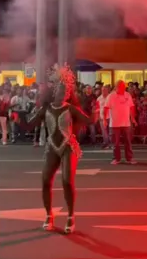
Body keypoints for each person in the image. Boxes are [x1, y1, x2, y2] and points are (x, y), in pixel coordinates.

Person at [24, 65, 92, 233]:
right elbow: (29, 125)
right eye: (61, 90)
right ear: (54, 91)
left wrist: (95, 114)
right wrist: (19, 118)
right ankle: (49, 215)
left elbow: (88, 121)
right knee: (46, 181)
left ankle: (70, 216)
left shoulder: (71, 109)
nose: (64, 93)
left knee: (67, 181)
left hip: (68, 146)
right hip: (52, 147)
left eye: (67, 91)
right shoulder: (45, 109)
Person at [105, 80, 138, 165]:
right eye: (121, 87)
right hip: (115, 124)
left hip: (126, 123)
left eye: (124, 87)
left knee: (128, 141)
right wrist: (105, 119)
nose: (123, 88)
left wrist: (133, 118)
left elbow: (131, 107)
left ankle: (129, 158)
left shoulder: (128, 95)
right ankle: (117, 158)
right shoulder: (111, 96)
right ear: (116, 87)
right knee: (116, 143)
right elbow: (106, 108)